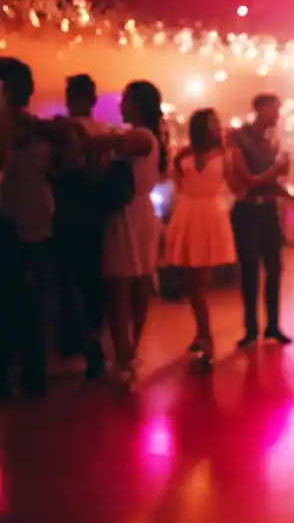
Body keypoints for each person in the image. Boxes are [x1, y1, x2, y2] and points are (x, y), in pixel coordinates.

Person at [0, 58, 81, 397]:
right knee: (22, 299)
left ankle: (25, 376)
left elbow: (70, 162)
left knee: (25, 299)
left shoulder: (41, 129)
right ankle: (23, 376)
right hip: (17, 218)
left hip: (29, 220)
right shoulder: (31, 129)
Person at [81, 80, 167, 392]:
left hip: (127, 215)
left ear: (138, 104)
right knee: (138, 284)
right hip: (140, 214)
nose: (120, 105)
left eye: (125, 100)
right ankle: (129, 355)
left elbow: (114, 145)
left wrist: (84, 136)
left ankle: (124, 358)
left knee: (120, 286)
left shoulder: (141, 136)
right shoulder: (147, 136)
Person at [163, 109, 237, 371]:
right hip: (188, 214)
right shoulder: (181, 154)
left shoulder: (225, 154)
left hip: (209, 216)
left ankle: (206, 338)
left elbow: (237, 185)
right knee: (193, 284)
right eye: (213, 122)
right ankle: (201, 334)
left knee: (198, 286)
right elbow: (175, 182)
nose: (218, 126)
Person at [52, 74, 109, 378]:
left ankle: (80, 343)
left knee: (71, 282)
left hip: (68, 215)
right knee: (91, 284)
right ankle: (92, 344)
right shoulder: (103, 131)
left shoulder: (63, 130)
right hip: (94, 216)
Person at [228, 94, 292, 347]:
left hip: (268, 210)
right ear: (260, 110)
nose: (277, 116)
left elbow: (269, 181)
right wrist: (275, 171)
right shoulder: (237, 137)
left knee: (274, 269)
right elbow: (247, 179)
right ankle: (251, 329)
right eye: (274, 110)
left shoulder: (269, 141)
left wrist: (281, 180)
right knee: (250, 271)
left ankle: (273, 326)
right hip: (247, 211)